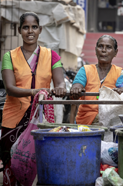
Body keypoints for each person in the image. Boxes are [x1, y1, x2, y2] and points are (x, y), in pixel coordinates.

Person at [1, 12, 66, 186]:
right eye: (26, 27)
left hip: (41, 120)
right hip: (13, 120)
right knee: (12, 166)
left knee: (39, 167)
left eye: (34, 27)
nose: (30, 31)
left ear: (40, 30)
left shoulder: (52, 56)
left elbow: (60, 83)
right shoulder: (9, 57)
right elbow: (10, 88)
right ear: (19, 30)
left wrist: (60, 89)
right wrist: (36, 91)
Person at [70, 35, 123, 125]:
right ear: (96, 50)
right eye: (100, 46)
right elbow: (77, 85)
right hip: (85, 122)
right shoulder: (85, 70)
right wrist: (76, 89)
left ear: (115, 52)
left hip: (110, 122)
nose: (103, 50)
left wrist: (122, 90)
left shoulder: (120, 73)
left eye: (108, 47)